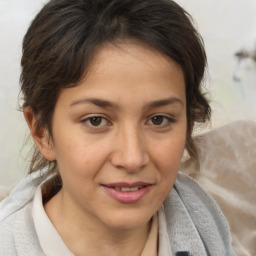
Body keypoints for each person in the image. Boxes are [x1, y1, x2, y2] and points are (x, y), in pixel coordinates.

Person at [0, 0, 236, 255]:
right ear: (42, 132)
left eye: (159, 119)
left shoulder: (204, 222)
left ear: (188, 124)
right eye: (96, 120)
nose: (132, 159)